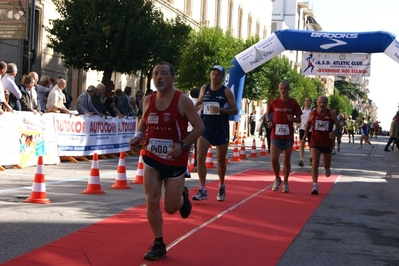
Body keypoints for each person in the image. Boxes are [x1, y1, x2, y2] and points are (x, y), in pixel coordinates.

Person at [129, 62, 204, 261]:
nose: (159, 77)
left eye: (163, 74)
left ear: (172, 77)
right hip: (152, 157)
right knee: (152, 200)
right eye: (155, 74)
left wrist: (183, 144)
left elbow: (199, 127)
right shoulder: (147, 100)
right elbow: (143, 122)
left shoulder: (183, 101)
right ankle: (159, 243)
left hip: (175, 159)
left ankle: (182, 197)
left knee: (170, 207)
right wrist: (138, 136)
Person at [193, 65, 238, 201]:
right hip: (205, 128)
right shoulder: (204, 89)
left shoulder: (226, 92)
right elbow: (199, 103)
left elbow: (235, 110)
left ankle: (222, 184)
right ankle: (202, 188)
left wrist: (221, 110)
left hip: (220, 129)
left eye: (218, 74)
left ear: (222, 77)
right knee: (200, 157)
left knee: (220, 161)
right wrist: (197, 107)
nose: (215, 76)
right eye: (213, 73)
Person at [266, 80, 302, 193]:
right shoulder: (274, 103)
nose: (283, 91)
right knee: (274, 159)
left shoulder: (293, 103)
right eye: (281, 88)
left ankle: (286, 182)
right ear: (278, 89)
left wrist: (293, 119)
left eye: (285, 88)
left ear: (289, 89)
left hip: (287, 136)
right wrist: (269, 122)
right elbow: (267, 114)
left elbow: (299, 119)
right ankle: (277, 178)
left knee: (286, 161)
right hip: (275, 135)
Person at [304, 96, 340, 195]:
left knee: (326, 164)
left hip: (327, 142)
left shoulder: (331, 114)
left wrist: (334, 132)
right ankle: (315, 185)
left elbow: (338, 126)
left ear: (327, 103)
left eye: (324, 103)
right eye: (320, 102)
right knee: (315, 161)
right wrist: (305, 135)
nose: (322, 104)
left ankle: (327, 168)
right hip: (315, 142)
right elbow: (308, 124)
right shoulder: (313, 113)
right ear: (317, 103)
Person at [297, 97, 314, 167]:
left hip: (311, 129)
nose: (307, 102)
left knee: (311, 145)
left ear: (311, 102)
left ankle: (311, 158)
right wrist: (298, 124)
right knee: (302, 144)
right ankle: (301, 160)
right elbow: (298, 119)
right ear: (304, 102)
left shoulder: (313, 110)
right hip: (302, 129)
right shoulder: (301, 110)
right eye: (306, 101)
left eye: (309, 101)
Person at [187, 87, 201, 171]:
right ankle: (196, 165)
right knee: (197, 149)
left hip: (187, 128)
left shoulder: (186, 103)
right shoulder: (199, 105)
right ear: (198, 95)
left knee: (186, 148)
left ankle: (185, 165)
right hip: (196, 129)